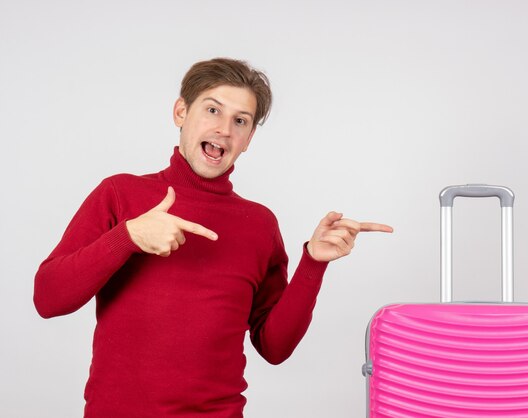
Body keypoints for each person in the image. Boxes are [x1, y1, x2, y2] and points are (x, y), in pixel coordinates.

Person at [34, 58, 392, 418]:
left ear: (248, 139)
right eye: (212, 110)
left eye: (240, 120)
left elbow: (275, 347)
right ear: (180, 112)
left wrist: (313, 264)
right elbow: (48, 298)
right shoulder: (120, 194)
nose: (224, 129)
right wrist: (127, 237)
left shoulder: (259, 225)